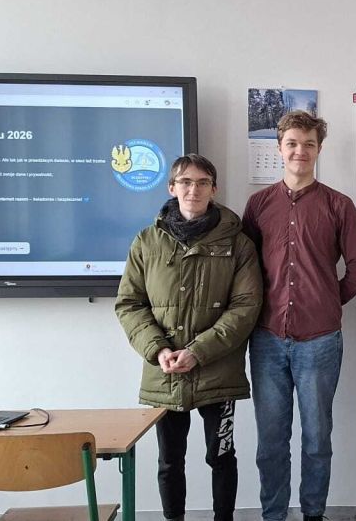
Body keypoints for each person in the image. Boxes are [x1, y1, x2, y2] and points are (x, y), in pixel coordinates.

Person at [116, 154, 263, 521]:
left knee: (221, 456)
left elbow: (246, 306)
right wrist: (158, 349)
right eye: (185, 182)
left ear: (214, 189)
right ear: (172, 187)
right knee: (169, 461)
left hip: (219, 372)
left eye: (202, 183)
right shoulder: (147, 241)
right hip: (163, 373)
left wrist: (198, 351)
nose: (193, 189)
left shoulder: (238, 244)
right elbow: (129, 303)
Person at [241, 111, 356, 521]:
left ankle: (314, 513)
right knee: (271, 441)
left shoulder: (339, 205)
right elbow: (243, 269)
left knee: (317, 439)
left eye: (309, 144)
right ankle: (274, 515)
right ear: (279, 148)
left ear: (319, 149)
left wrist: (328, 301)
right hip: (266, 338)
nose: (301, 151)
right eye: (293, 143)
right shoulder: (258, 205)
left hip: (320, 341)